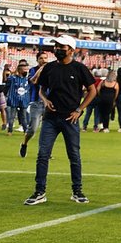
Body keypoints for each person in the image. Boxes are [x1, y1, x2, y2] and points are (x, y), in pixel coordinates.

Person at [24, 35, 97, 205]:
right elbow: (42, 89)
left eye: (61, 46)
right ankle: (39, 192)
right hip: (50, 118)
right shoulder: (49, 67)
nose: (57, 49)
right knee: (43, 154)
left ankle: (77, 191)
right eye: (56, 46)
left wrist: (79, 109)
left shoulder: (79, 68)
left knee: (74, 156)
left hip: (70, 118)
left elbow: (92, 90)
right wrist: (45, 100)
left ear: (71, 50)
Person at [21, 51, 49, 157]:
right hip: (36, 103)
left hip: (48, 103)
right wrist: (41, 70)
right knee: (33, 128)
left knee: (48, 129)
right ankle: (24, 143)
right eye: (41, 58)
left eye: (45, 58)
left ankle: (45, 152)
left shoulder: (52, 70)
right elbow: (34, 81)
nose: (43, 60)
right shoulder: (33, 70)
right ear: (37, 60)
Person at [5, 60, 30, 135]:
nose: (26, 71)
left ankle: (26, 131)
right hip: (14, 100)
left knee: (23, 117)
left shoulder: (27, 79)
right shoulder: (12, 78)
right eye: (24, 70)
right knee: (12, 117)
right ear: (19, 70)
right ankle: (10, 131)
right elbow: (6, 85)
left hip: (24, 100)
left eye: (26, 69)